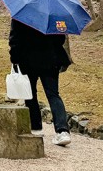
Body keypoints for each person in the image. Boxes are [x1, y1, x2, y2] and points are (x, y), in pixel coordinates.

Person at [9, 18, 72, 146]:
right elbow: (60, 39)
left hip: (27, 59)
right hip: (50, 59)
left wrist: (14, 58)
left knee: (30, 94)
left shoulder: (21, 15)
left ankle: (35, 126)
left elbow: (14, 38)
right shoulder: (54, 15)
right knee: (53, 94)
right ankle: (62, 130)